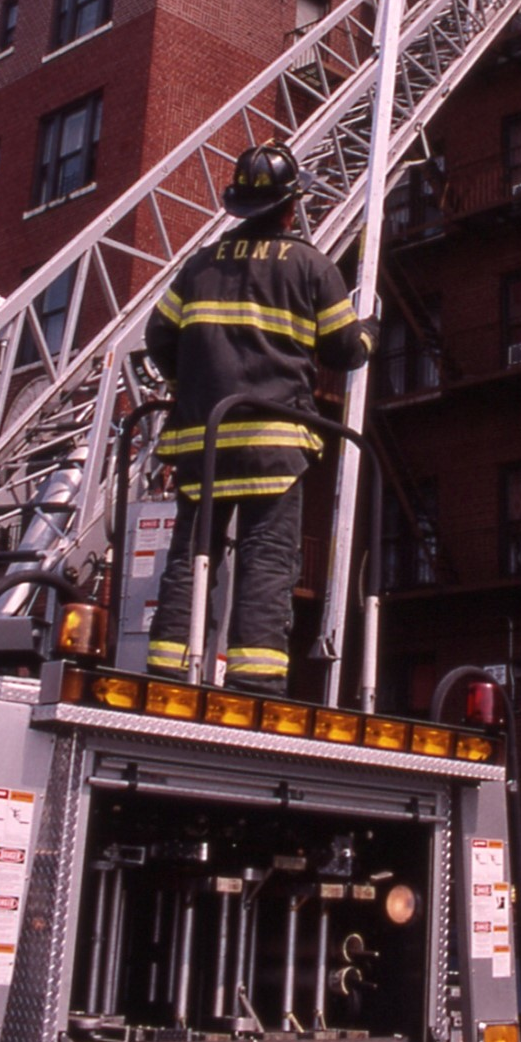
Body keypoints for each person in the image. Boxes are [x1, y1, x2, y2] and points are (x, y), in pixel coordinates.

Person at [144, 142, 379, 695]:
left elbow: (158, 337)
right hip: (274, 443)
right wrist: (370, 329)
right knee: (267, 558)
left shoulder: (198, 267)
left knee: (190, 556)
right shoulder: (310, 266)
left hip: (202, 442)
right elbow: (344, 348)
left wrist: (188, 389)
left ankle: (167, 668)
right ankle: (256, 681)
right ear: (290, 208)